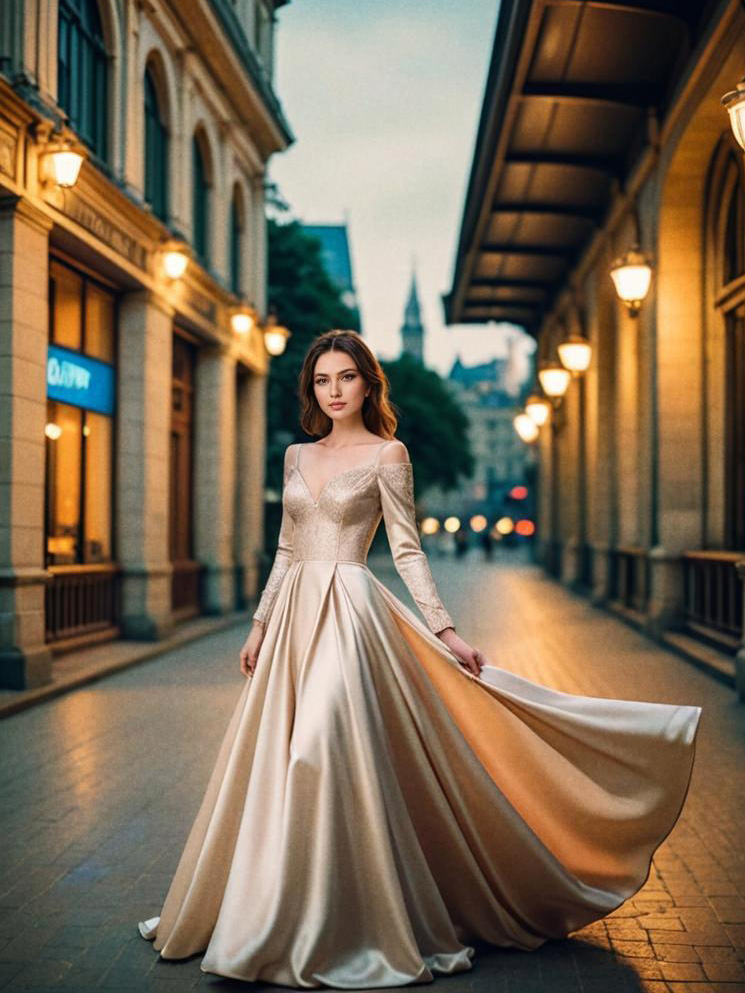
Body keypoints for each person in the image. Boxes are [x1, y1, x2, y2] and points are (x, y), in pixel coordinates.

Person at [138, 329, 701, 989]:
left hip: (351, 613)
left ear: (367, 383)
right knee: (280, 761)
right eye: (322, 380)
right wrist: (259, 624)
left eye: (346, 377)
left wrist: (445, 629)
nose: (334, 390)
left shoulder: (389, 453)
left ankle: (336, 920)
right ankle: (277, 914)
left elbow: (406, 550)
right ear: (311, 390)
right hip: (292, 618)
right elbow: (288, 550)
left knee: (313, 749)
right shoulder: (295, 456)